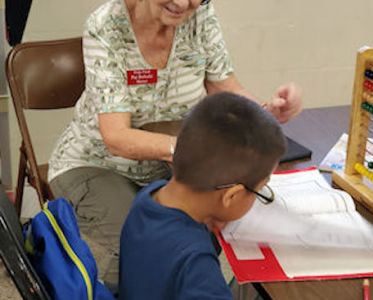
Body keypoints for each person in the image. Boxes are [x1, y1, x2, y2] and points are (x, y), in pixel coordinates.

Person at [48, 0, 302, 284]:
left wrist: (265, 112)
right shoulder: (107, 25)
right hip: (98, 163)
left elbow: (224, 86)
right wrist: (189, 151)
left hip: (170, 164)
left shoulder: (200, 14)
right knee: (137, 251)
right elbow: (117, 138)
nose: (184, 3)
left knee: (205, 231)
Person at [119, 92, 286, 299]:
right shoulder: (197, 266)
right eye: (259, 190)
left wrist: (209, 216)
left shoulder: (150, 196)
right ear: (231, 196)